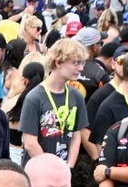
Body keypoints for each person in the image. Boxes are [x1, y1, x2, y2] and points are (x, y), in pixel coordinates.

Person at [19, 37, 88, 167]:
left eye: (82, 63)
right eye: (76, 63)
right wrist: (51, 169)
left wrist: (69, 167)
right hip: (38, 170)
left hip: (63, 170)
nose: (81, 68)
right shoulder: (34, 97)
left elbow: (76, 135)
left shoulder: (76, 96)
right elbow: (30, 142)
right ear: (58, 62)